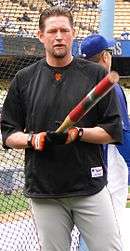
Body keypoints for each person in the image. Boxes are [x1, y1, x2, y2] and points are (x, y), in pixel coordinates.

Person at [1, 7, 123, 251]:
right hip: (45, 191)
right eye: (52, 31)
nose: (59, 36)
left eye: (64, 30)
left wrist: (78, 134)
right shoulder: (24, 79)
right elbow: (8, 133)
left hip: (89, 188)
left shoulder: (97, 74)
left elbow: (111, 131)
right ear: (40, 35)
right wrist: (34, 140)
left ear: (73, 34)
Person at [80, 33, 130, 250]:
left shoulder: (78, 85)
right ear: (104, 57)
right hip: (110, 160)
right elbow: (122, 132)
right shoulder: (110, 85)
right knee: (114, 224)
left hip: (86, 164)